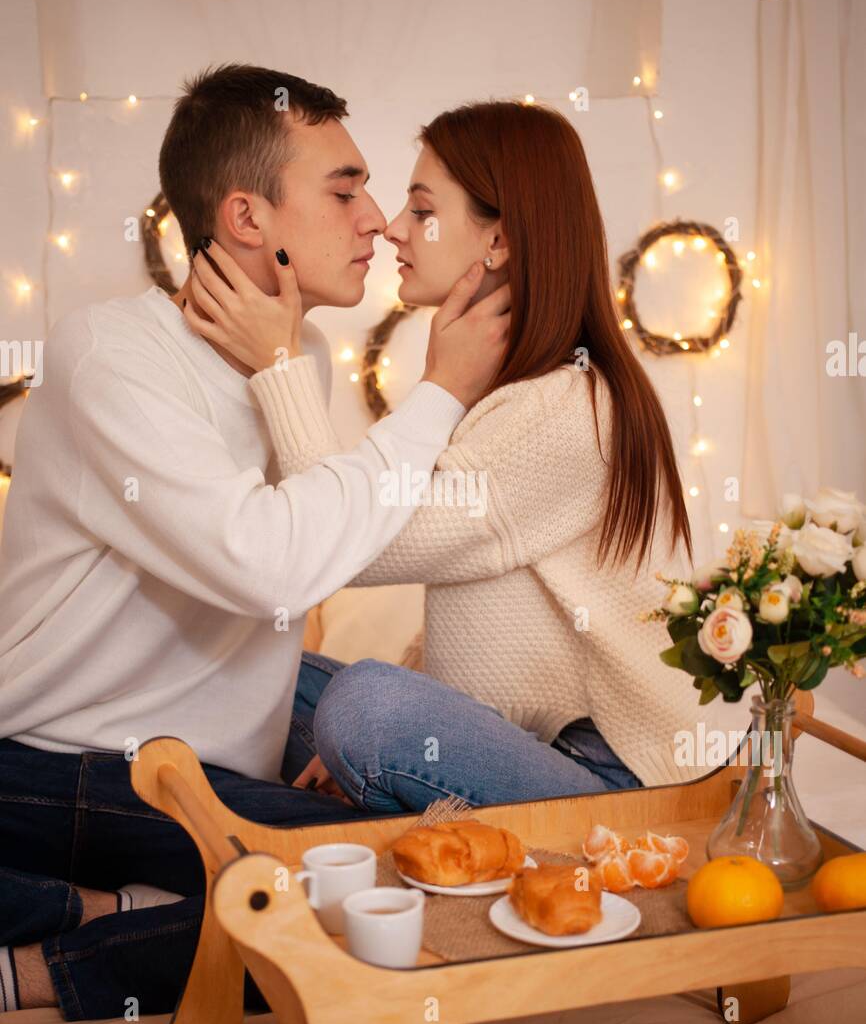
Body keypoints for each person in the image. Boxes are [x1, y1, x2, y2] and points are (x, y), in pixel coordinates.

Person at [0, 64, 509, 1019]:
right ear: (246, 218)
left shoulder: (298, 354)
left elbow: (322, 534)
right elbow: (270, 564)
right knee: (383, 898)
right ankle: (47, 962)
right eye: (345, 189)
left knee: (415, 858)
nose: (375, 221)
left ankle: (109, 905)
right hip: (62, 763)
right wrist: (438, 393)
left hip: (203, 769)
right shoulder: (111, 352)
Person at [193, 99, 749, 816]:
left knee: (364, 709)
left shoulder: (565, 410)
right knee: (251, 667)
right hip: (528, 744)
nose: (391, 227)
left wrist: (278, 363)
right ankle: (376, 800)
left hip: (621, 791)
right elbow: (482, 608)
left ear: (500, 242)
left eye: (421, 210)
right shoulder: (505, 389)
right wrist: (429, 725)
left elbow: (346, 548)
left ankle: (368, 814)